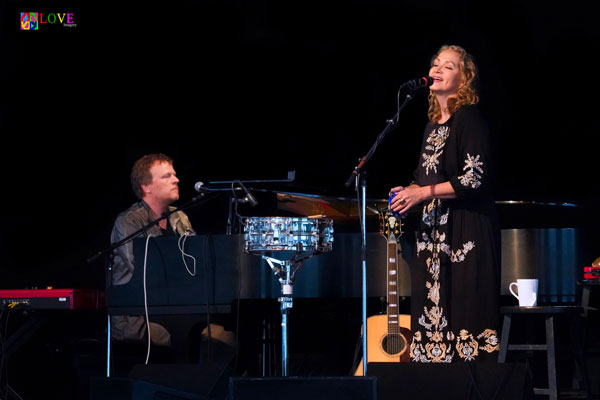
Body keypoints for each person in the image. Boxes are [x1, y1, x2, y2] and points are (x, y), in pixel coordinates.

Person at [389, 44, 500, 362]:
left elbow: (474, 178)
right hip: (432, 238)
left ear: (464, 79)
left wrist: (422, 194)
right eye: (435, 63)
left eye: (448, 66)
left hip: (465, 232)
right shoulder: (432, 126)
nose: (436, 69)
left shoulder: (469, 119)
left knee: (465, 317)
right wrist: (409, 190)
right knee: (431, 321)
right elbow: (425, 179)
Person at [110, 153, 195, 346]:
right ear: (146, 187)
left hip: (176, 309)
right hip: (138, 317)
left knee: (225, 338)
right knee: (183, 338)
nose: (176, 180)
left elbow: (194, 262)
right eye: (167, 176)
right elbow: (143, 271)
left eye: (174, 174)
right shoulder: (129, 221)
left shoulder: (179, 216)